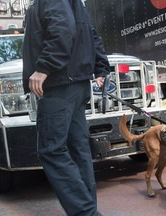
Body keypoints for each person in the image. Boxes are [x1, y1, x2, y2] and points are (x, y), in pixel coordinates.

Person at [22, 0, 110, 215]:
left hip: (59, 84)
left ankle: (87, 213)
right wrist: (101, 67)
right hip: (76, 84)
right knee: (77, 150)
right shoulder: (75, 3)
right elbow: (91, 34)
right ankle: (88, 209)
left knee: (51, 150)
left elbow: (62, 30)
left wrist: (44, 67)